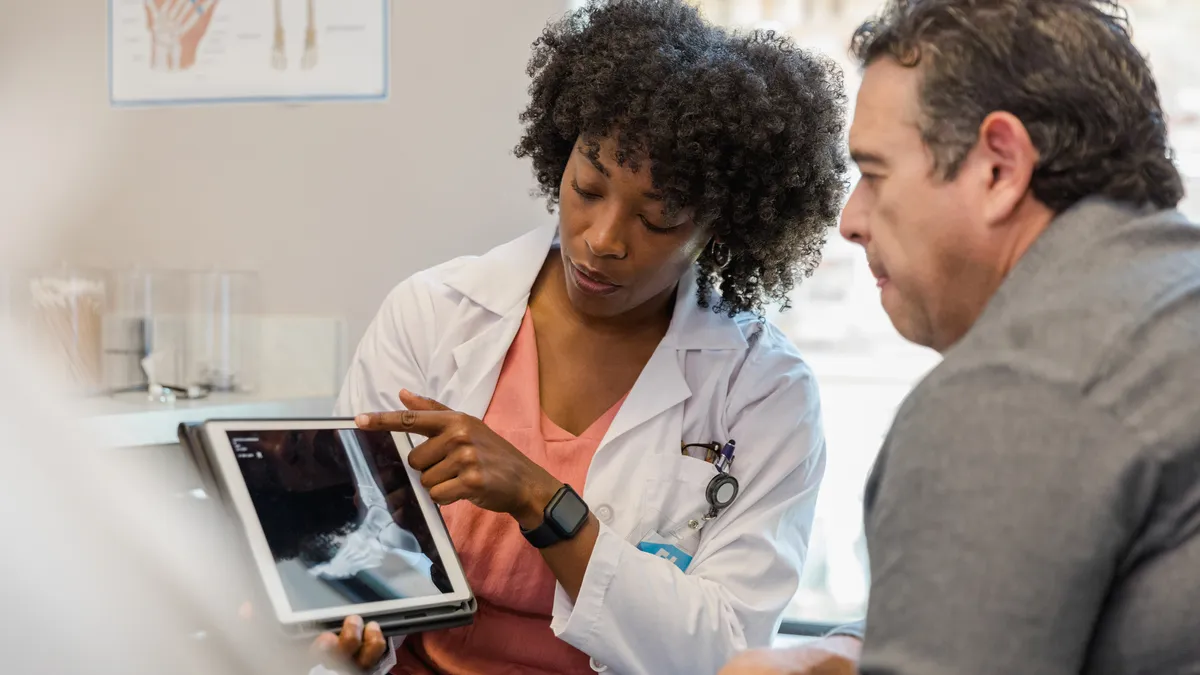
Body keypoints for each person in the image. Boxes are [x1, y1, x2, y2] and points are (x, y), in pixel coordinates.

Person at [319, 0, 849, 672]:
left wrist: (542, 501)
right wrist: (339, 626)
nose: (601, 241)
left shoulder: (765, 389)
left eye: (658, 219)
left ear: (722, 225)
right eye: (587, 187)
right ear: (559, 155)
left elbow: (727, 645)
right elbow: (346, 536)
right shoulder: (435, 313)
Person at [721, 0, 1200, 673]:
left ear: (999, 169)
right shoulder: (1169, 297)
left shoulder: (1013, 396)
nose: (852, 221)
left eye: (876, 173)